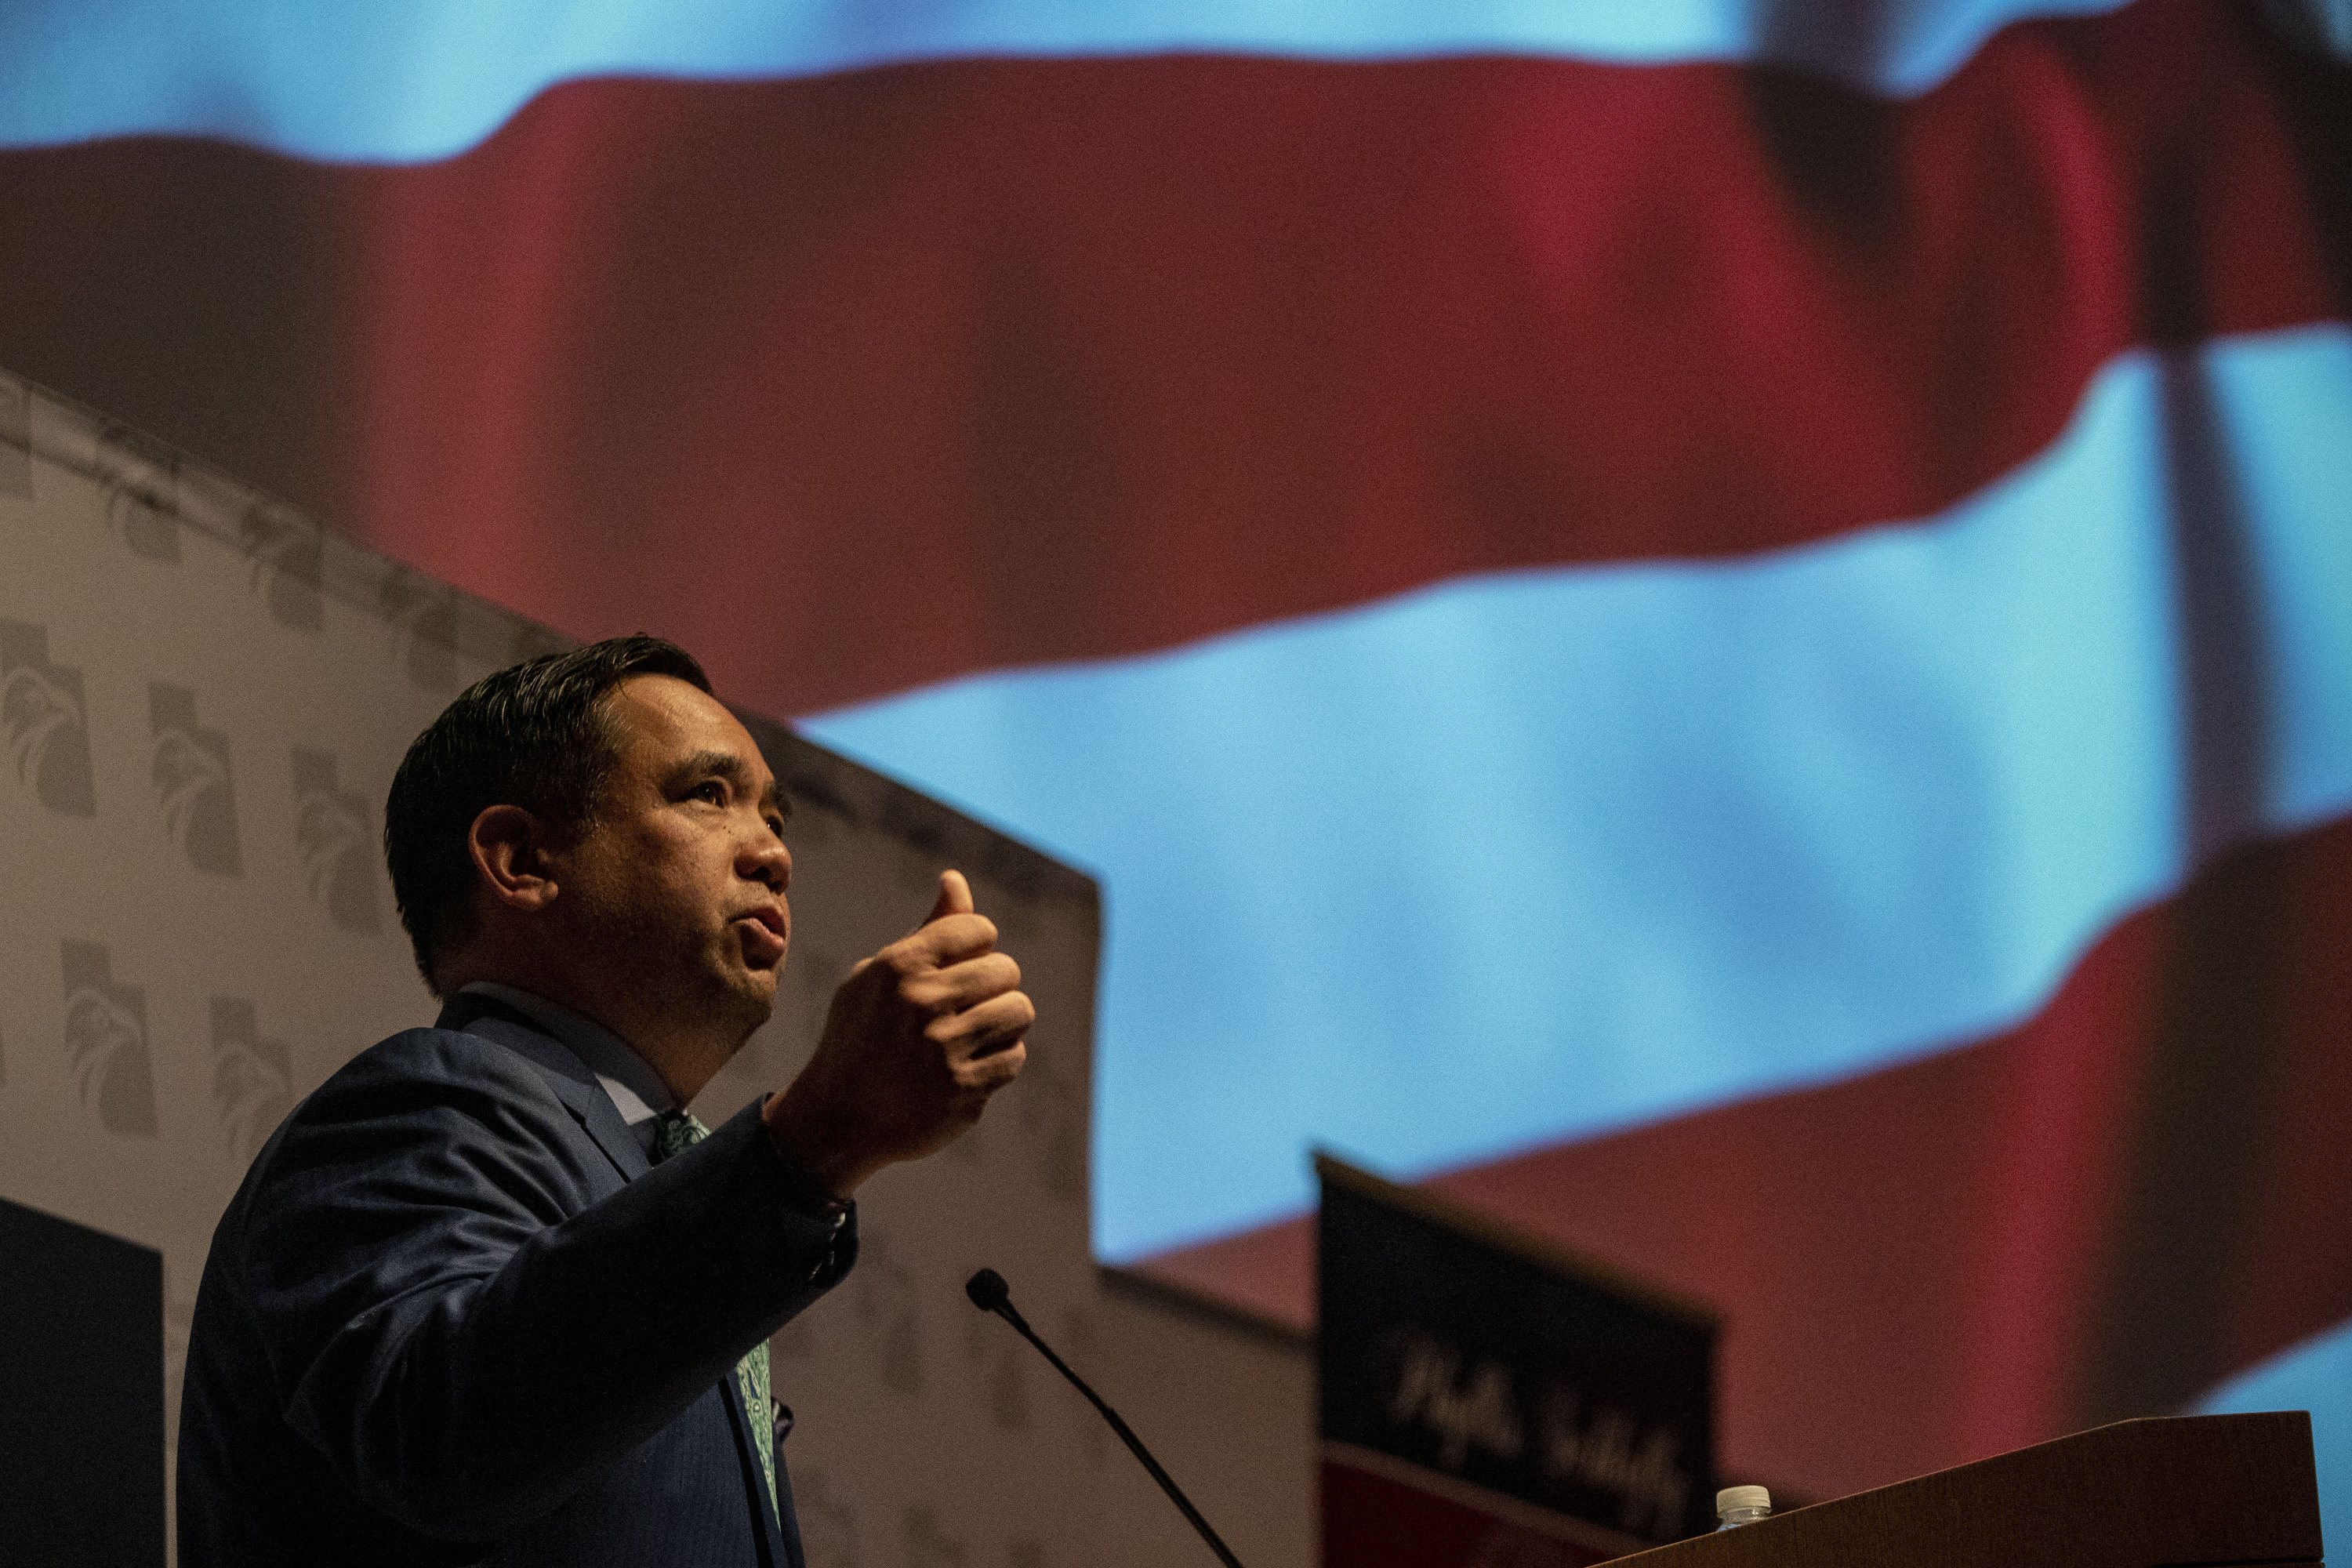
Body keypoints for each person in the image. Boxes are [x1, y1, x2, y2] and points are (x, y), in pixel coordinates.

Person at [177, 636, 1031, 1567]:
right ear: (521, 857)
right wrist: (814, 1139)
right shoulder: (418, 1103)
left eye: (776, 818)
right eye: (707, 795)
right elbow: (444, 1436)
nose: (773, 853)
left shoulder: (653, 1170)